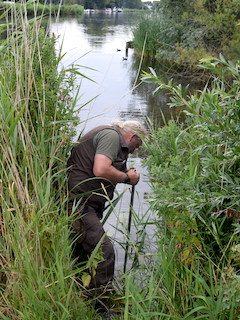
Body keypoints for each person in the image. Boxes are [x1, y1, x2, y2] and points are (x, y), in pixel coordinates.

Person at [67, 120, 147, 318]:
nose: (136, 151)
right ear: (134, 137)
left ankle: (79, 295)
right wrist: (127, 178)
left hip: (84, 203)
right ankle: (100, 308)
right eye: (138, 145)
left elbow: (105, 169)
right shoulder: (112, 136)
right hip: (78, 202)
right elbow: (101, 169)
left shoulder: (112, 137)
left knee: (82, 252)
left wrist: (124, 174)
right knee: (104, 252)